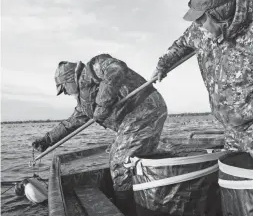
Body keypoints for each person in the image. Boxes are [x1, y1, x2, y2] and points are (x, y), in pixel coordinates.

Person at [152, 0, 253, 151]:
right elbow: (183, 43)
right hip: (232, 130)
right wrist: (163, 64)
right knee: (230, 173)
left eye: (201, 18)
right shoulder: (201, 30)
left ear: (219, 14)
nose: (196, 24)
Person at [31, 54, 167, 215]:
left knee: (119, 163)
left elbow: (115, 69)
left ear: (68, 80)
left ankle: (125, 210)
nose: (65, 93)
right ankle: (143, 199)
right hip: (135, 119)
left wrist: (102, 105)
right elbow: (71, 123)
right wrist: (47, 140)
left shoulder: (94, 67)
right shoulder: (84, 104)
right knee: (123, 159)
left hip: (144, 110)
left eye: (64, 88)